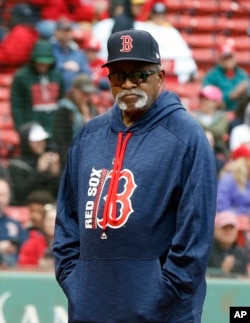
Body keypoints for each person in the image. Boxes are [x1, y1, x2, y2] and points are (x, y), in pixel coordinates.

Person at [53, 29, 217, 322]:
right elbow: (67, 219)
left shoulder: (186, 137)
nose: (128, 83)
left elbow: (195, 231)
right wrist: (74, 279)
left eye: (139, 74)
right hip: (91, 307)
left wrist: (164, 291)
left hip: (162, 312)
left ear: (160, 76)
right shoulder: (88, 136)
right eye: (118, 75)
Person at [10, 38, 64, 137]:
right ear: (33, 60)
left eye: (46, 63)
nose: (43, 66)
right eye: (40, 63)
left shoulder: (57, 76)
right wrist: (22, 130)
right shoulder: (21, 77)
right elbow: (17, 106)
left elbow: (61, 100)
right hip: (32, 130)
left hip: (55, 129)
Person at [8, 122, 61, 204]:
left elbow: (57, 194)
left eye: (42, 140)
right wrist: (39, 172)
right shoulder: (15, 164)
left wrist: (54, 174)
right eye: (36, 141)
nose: (41, 143)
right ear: (26, 142)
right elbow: (19, 194)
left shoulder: (49, 161)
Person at [54, 73, 98, 169]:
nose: (86, 97)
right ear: (75, 90)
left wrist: (86, 115)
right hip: (71, 157)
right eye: (83, 93)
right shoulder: (64, 109)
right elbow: (61, 140)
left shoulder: (92, 109)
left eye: (88, 94)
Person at [202, 40, 249, 111]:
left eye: (230, 57)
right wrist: (231, 95)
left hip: (240, 113)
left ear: (235, 58)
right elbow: (205, 97)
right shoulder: (212, 75)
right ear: (219, 60)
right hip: (219, 114)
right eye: (225, 58)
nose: (228, 61)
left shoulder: (243, 75)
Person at [50, 17, 92, 92]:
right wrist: (63, 66)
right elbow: (46, 68)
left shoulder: (78, 52)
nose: (66, 33)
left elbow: (87, 72)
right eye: (63, 30)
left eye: (68, 30)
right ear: (56, 32)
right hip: (56, 89)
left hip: (77, 91)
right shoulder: (49, 48)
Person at [207, 210, 249, 277]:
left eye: (231, 228)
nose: (228, 232)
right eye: (224, 228)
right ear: (215, 230)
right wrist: (221, 272)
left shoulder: (242, 253)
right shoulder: (206, 252)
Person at [192, 85, 229, 157]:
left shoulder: (222, 117)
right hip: (196, 149)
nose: (204, 101)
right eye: (202, 98)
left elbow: (218, 132)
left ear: (217, 103)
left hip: (217, 151)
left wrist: (196, 122)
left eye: (208, 99)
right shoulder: (194, 115)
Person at [0, 177, 28, 267]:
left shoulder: (15, 225)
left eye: (3, 195)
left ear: (8, 197)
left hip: (12, 273)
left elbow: (26, 250)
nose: (0, 199)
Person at [217, 144, 250, 216]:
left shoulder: (248, 178)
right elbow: (222, 207)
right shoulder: (228, 180)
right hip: (233, 222)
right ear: (242, 161)